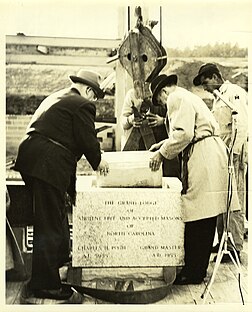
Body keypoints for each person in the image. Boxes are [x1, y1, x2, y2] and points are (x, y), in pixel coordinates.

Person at [14, 69, 109, 300]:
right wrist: (100, 162)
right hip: (47, 163)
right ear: (87, 89)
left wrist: (71, 190)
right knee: (49, 224)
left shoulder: (58, 97)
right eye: (95, 95)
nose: (94, 100)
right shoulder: (82, 105)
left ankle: (53, 276)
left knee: (54, 218)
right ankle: (45, 285)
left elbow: (67, 147)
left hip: (34, 159)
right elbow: (87, 140)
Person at [149, 74, 240, 285]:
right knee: (205, 213)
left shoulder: (175, 98)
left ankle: (193, 272)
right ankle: (197, 268)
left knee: (197, 213)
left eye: (160, 101)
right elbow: (191, 129)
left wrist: (161, 154)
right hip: (210, 150)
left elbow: (184, 133)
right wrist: (163, 143)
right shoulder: (187, 96)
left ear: (163, 92)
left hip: (204, 154)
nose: (163, 105)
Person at [193, 63, 248, 262]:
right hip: (223, 155)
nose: (206, 89)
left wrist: (233, 153)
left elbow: (242, 125)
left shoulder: (234, 93)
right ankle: (223, 240)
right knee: (221, 198)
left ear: (216, 77)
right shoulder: (218, 99)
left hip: (233, 154)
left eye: (207, 83)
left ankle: (234, 246)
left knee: (234, 200)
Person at [120, 87, 180, 178]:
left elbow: (178, 120)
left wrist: (163, 121)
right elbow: (123, 123)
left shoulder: (166, 93)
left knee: (168, 177)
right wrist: (130, 120)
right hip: (139, 146)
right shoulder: (132, 95)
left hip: (164, 145)